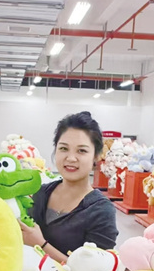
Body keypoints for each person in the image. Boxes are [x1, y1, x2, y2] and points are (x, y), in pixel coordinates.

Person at [20, 111, 118, 262]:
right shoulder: (40, 193)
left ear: (96, 156)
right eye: (64, 148)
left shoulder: (101, 211)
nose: (71, 158)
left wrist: (40, 244)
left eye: (82, 151)